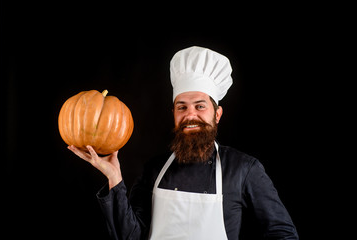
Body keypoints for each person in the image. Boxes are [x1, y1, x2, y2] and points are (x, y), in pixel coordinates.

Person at [68, 46, 299, 239]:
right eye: (182, 107)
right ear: (174, 114)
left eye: (200, 106)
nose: (190, 115)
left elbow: (283, 234)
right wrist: (114, 177)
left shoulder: (243, 169)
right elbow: (131, 237)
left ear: (217, 114)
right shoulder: (154, 170)